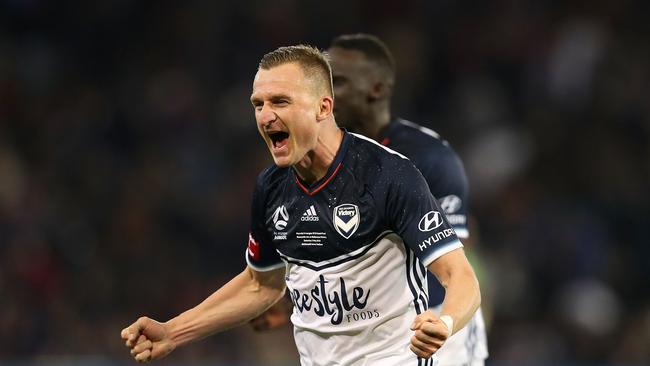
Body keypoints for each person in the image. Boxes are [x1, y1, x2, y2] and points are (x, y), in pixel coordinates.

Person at [121, 44, 481, 365]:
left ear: (323, 107)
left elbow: (461, 277)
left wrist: (445, 322)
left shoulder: (389, 175)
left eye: (280, 101)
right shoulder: (271, 187)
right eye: (258, 104)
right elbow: (261, 285)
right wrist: (173, 332)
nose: (265, 116)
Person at [251, 34, 489, 365]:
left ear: (375, 89)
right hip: (373, 328)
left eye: (340, 82)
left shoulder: (424, 159)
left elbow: (456, 262)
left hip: (435, 326)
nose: (329, 90)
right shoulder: (317, 165)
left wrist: (444, 323)